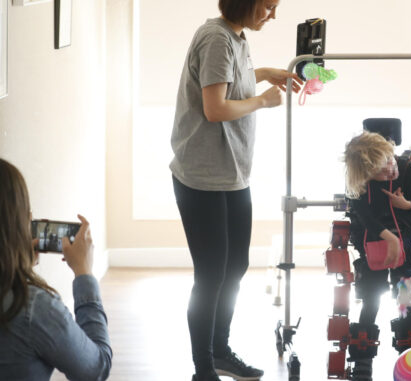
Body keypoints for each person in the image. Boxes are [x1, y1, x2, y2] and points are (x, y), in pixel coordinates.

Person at [169, 1, 303, 380]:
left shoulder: (237, 37)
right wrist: (262, 101)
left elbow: (227, 80)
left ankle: (220, 351)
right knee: (211, 275)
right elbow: (215, 108)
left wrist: (262, 73)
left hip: (231, 175)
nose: (272, 15)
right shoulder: (216, 39)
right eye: (268, 6)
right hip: (202, 177)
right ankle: (203, 368)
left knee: (235, 267)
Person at [0, 157, 112, 381]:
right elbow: (96, 368)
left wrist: (19, 264)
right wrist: (84, 274)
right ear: (17, 222)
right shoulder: (34, 308)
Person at [343, 132, 411, 381]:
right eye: (381, 174)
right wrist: (389, 237)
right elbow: (364, 215)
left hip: (405, 245)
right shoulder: (358, 181)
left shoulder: (405, 168)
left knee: (405, 298)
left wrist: (407, 205)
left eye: (390, 165)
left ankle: (408, 352)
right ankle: (363, 360)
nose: (389, 173)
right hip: (372, 244)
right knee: (371, 297)